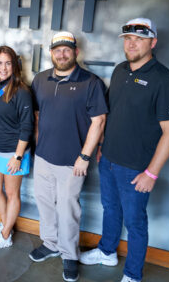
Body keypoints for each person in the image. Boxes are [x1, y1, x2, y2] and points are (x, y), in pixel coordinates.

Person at [79, 18, 169, 282]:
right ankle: (107, 251)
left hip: (136, 168)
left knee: (135, 223)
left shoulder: (163, 79)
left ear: (152, 42)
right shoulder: (121, 70)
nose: (132, 43)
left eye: (139, 38)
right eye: (128, 38)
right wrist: (102, 146)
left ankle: (133, 275)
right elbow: (112, 113)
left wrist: (152, 173)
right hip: (109, 159)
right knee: (110, 208)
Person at [30, 32, 108, 282]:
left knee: (67, 210)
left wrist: (84, 157)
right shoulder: (41, 79)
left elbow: (99, 121)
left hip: (72, 161)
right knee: (44, 203)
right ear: (51, 52)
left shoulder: (91, 82)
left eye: (67, 50)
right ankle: (51, 244)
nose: (62, 54)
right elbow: (38, 116)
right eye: (57, 50)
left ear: (75, 52)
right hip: (43, 157)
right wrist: (36, 147)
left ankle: (70, 255)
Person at [0, 45, 33, 250]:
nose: (3, 68)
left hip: (14, 153)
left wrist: (18, 157)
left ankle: (5, 237)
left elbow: (27, 126)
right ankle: (6, 225)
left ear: (15, 66)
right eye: (0, 63)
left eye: (8, 63)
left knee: (12, 194)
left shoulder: (22, 91)